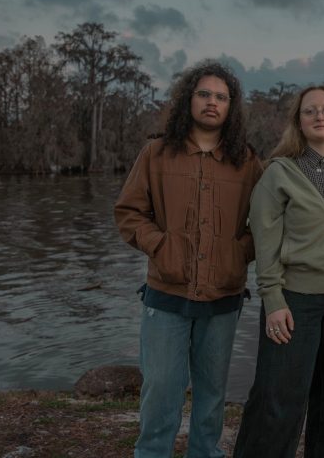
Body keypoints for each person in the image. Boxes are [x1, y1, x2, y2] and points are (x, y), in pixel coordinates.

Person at [114, 60, 263, 458]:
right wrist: (161, 247)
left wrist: (237, 252)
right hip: (166, 295)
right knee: (161, 389)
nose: (212, 102)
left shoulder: (247, 161)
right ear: (188, 99)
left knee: (213, 393)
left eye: (221, 96)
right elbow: (129, 213)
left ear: (231, 107)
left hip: (224, 297)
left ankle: (205, 453)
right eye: (204, 94)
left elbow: (268, 224)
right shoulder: (157, 153)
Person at [232, 85, 324, 458]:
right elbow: (265, 243)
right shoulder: (280, 173)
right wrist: (273, 299)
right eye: (310, 111)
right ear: (298, 122)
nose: (319, 117)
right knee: (277, 399)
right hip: (295, 301)